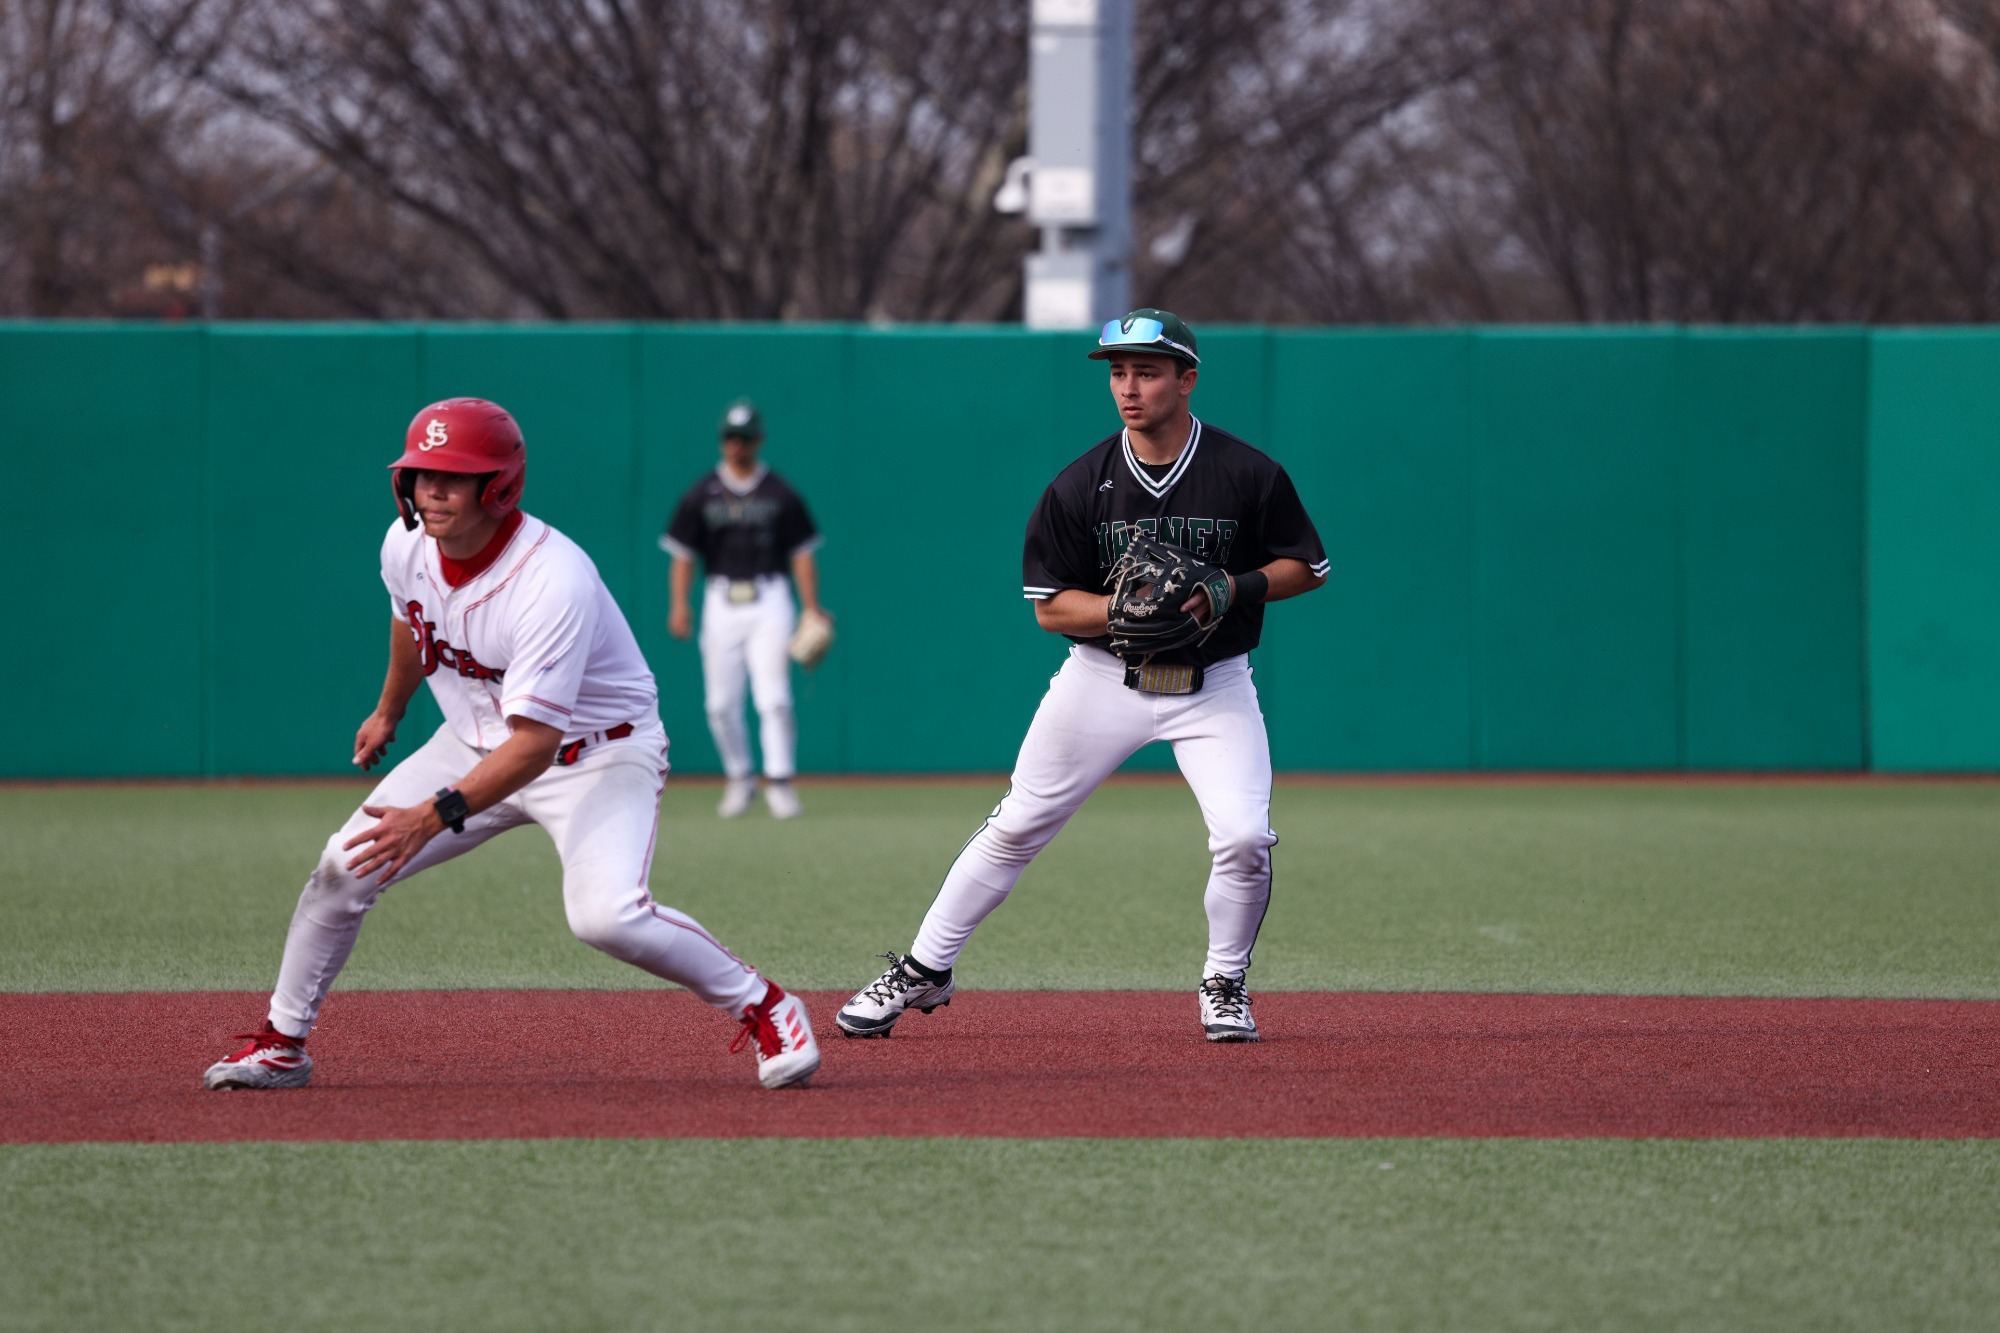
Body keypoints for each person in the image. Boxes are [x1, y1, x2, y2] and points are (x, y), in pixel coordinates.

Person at [202, 397, 820, 1092]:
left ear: (498, 485)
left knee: (606, 917)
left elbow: (533, 746)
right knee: (341, 870)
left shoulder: (553, 579)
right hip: (471, 741)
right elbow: (411, 620)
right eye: (420, 471)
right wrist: (390, 707)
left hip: (594, 754)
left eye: (453, 475)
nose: (431, 488)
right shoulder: (404, 543)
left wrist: (432, 815)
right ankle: (284, 1043)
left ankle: (767, 1005)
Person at [836, 309, 1328, 1044]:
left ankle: (1224, 981)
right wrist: (1120, 610)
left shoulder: (1247, 473)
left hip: (1214, 683)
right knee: (1018, 824)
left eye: (1148, 371)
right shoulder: (1080, 484)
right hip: (1102, 678)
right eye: (1118, 371)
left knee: (1245, 837)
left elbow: (1308, 566)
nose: (1129, 387)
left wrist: (1235, 586)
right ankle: (924, 968)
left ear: (1187, 379)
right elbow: (1048, 607)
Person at [660, 399, 828, 819]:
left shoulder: (780, 493)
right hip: (720, 599)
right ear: (722, 440)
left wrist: (811, 608)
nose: (738, 445)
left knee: (773, 698)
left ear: (759, 441)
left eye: (746, 438)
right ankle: (739, 778)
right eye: (731, 437)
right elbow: (683, 555)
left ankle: (780, 782)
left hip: (771, 597)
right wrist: (680, 604)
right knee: (720, 704)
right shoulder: (701, 494)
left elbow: (802, 554)